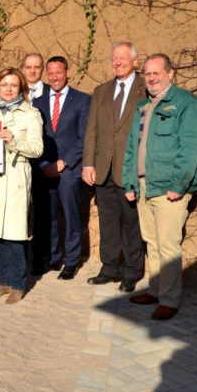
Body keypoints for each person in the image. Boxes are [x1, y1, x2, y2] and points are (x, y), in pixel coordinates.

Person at [122, 53, 197, 320]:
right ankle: (156, 290)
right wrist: (130, 181)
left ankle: (169, 299)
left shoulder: (186, 104)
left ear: (171, 73)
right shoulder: (144, 107)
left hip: (169, 188)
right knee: (152, 243)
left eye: (157, 72)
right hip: (145, 186)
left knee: (168, 246)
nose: (152, 78)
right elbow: (133, 147)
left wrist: (179, 184)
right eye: (148, 73)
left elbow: (191, 149)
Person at [0, 68, 43, 304]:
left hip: (15, 177)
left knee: (14, 235)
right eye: (4, 84)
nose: (9, 89)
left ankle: (17, 284)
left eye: (14, 85)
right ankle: (3, 281)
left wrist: (13, 140)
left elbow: (37, 149)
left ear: (21, 88)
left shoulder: (30, 114)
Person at [82, 42, 146, 292]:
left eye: (123, 58)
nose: (118, 62)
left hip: (129, 167)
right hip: (103, 168)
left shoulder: (144, 89)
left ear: (134, 61)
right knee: (108, 220)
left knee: (131, 222)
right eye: (114, 58)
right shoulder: (101, 91)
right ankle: (109, 268)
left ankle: (132, 271)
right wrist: (88, 163)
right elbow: (92, 131)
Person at [32, 56, 91, 280]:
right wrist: (45, 164)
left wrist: (63, 162)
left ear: (67, 72)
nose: (55, 77)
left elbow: (84, 137)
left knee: (71, 216)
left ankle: (72, 261)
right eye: (51, 73)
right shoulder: (38, 102)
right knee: (49, 217)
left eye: (59, 72)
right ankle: (53, 257)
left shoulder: (83, 100)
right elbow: (36, 137)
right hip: (45, 168)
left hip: (69, 169)